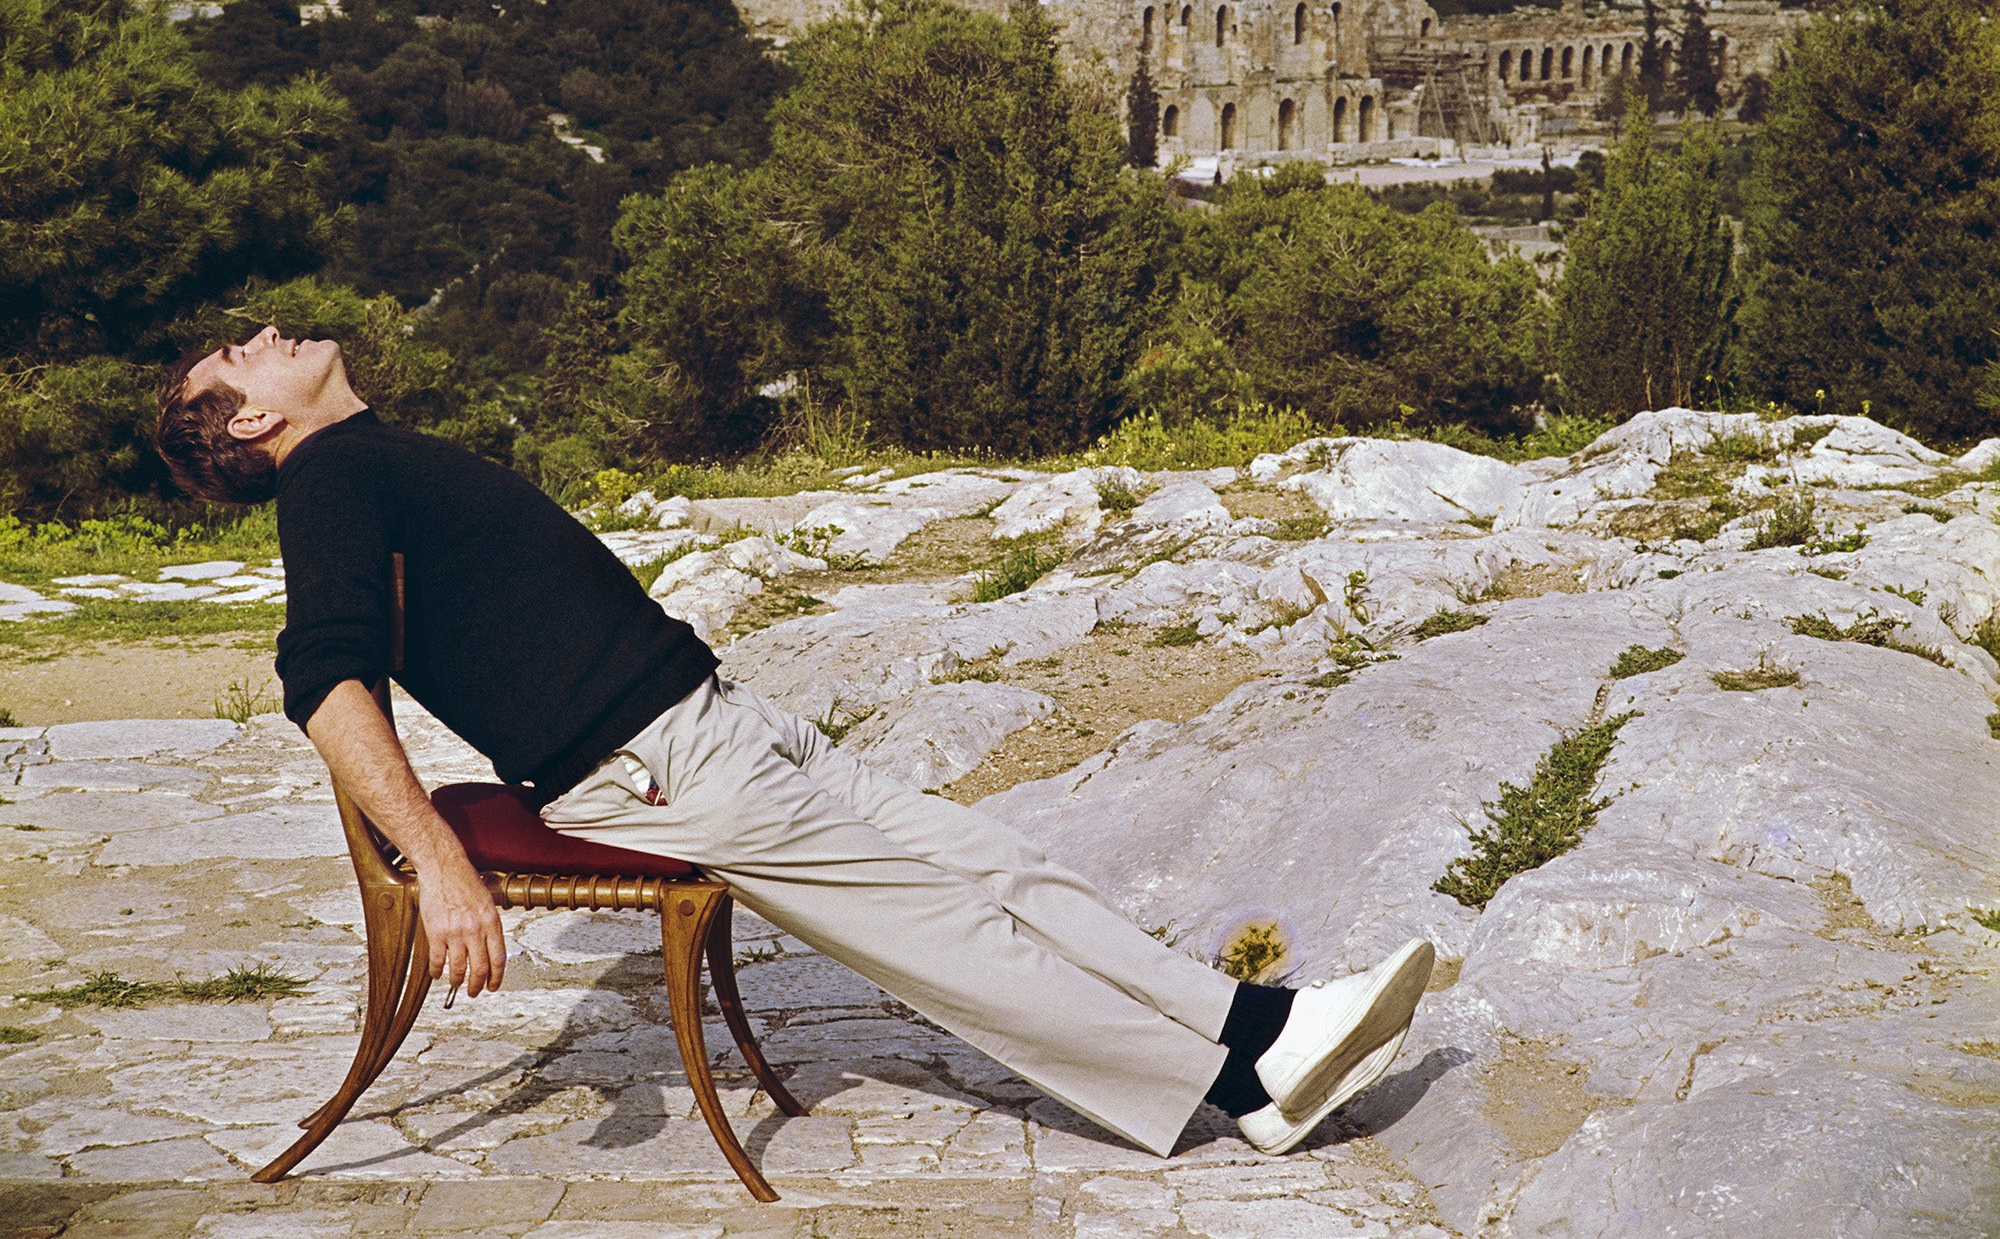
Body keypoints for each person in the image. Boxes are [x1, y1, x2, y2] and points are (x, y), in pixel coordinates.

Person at [155, 328, 1433, 1158]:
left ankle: (1258, 1024)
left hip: (718, 722)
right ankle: (1238, 1087)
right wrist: (436, 865)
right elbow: (323, 682)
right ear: (254, 427)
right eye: (240, 358)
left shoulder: (369, 455)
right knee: (949, 932)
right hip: (656, 768)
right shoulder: (327, 480)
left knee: (992, 865)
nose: (267, 337)